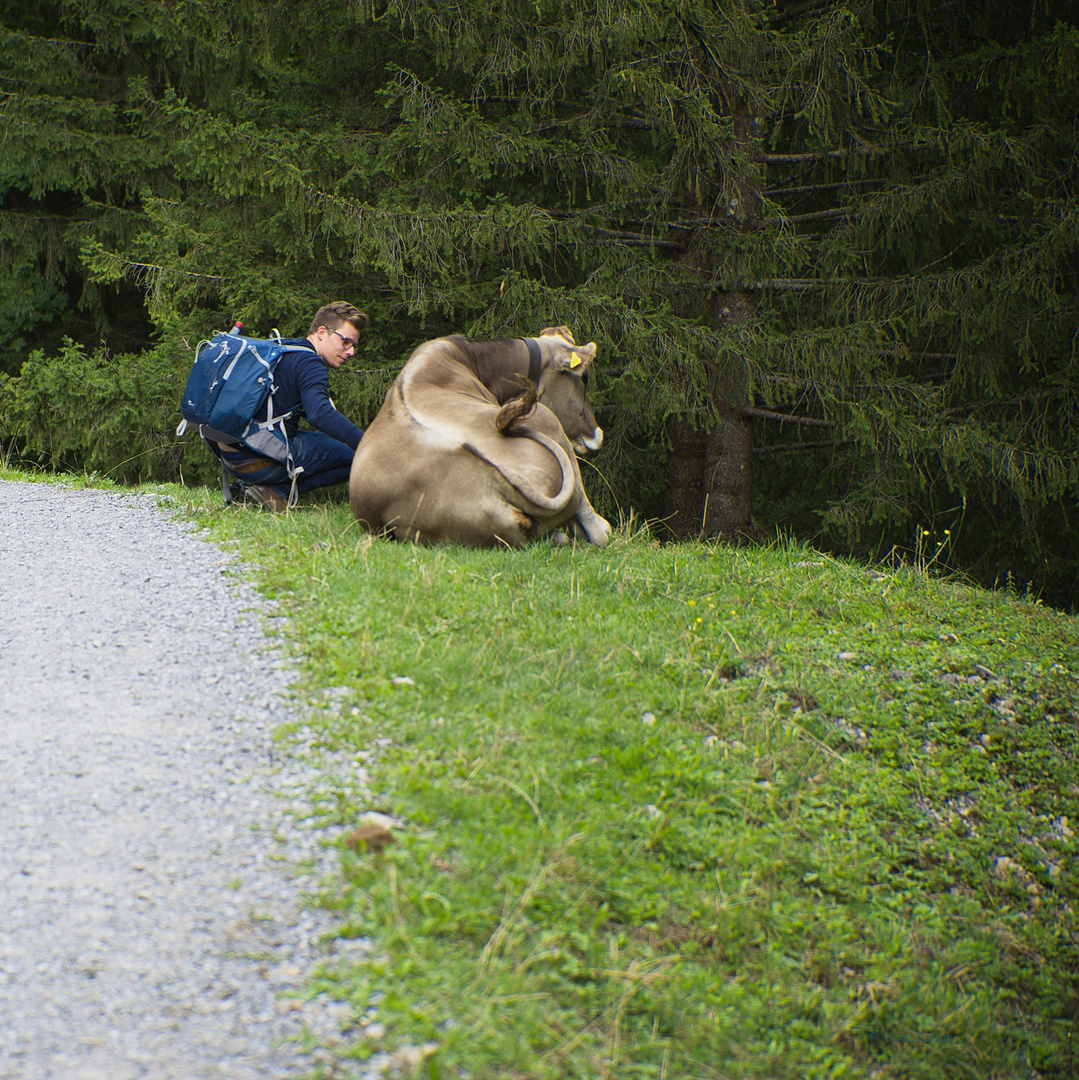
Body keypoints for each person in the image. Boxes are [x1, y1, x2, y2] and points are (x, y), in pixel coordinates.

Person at [218, 301, 370, 511]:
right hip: (257, 461)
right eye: (345, 342)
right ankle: (277, 493)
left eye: (353, 344)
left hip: (230, 454)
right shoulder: (310, 364)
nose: (351, 351)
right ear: (322, 332)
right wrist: (368, 443)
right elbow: (319, 414)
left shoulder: (283, 349)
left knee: (329, 442)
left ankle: (265, 490)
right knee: (359, 456)